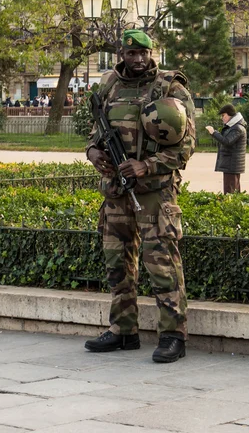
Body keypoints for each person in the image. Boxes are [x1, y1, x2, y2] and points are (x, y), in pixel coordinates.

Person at [85, 30, 196, 363]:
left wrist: (146, 165)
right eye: (131, 54)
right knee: (116, 264)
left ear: (152, 53)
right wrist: (92, 152)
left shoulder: (169, 88)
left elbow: (186, 147)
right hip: (116, 192)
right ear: (122, 53)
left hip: (155, 193)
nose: (137, 60)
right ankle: (123, 331)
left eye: (143, 53)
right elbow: (97, 130)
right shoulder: (109, 85)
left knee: (161, 264)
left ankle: (173, 335)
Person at [205, 104, 247, 194]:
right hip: (231, 164)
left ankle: (231, 207)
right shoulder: (234, 127)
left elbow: (227, 142)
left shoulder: (237, 128)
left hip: (232, 164)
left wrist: (213, 133)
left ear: (229, 114)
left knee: (230, 190)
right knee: (233, 189)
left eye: (223, 115)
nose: (222, 118)